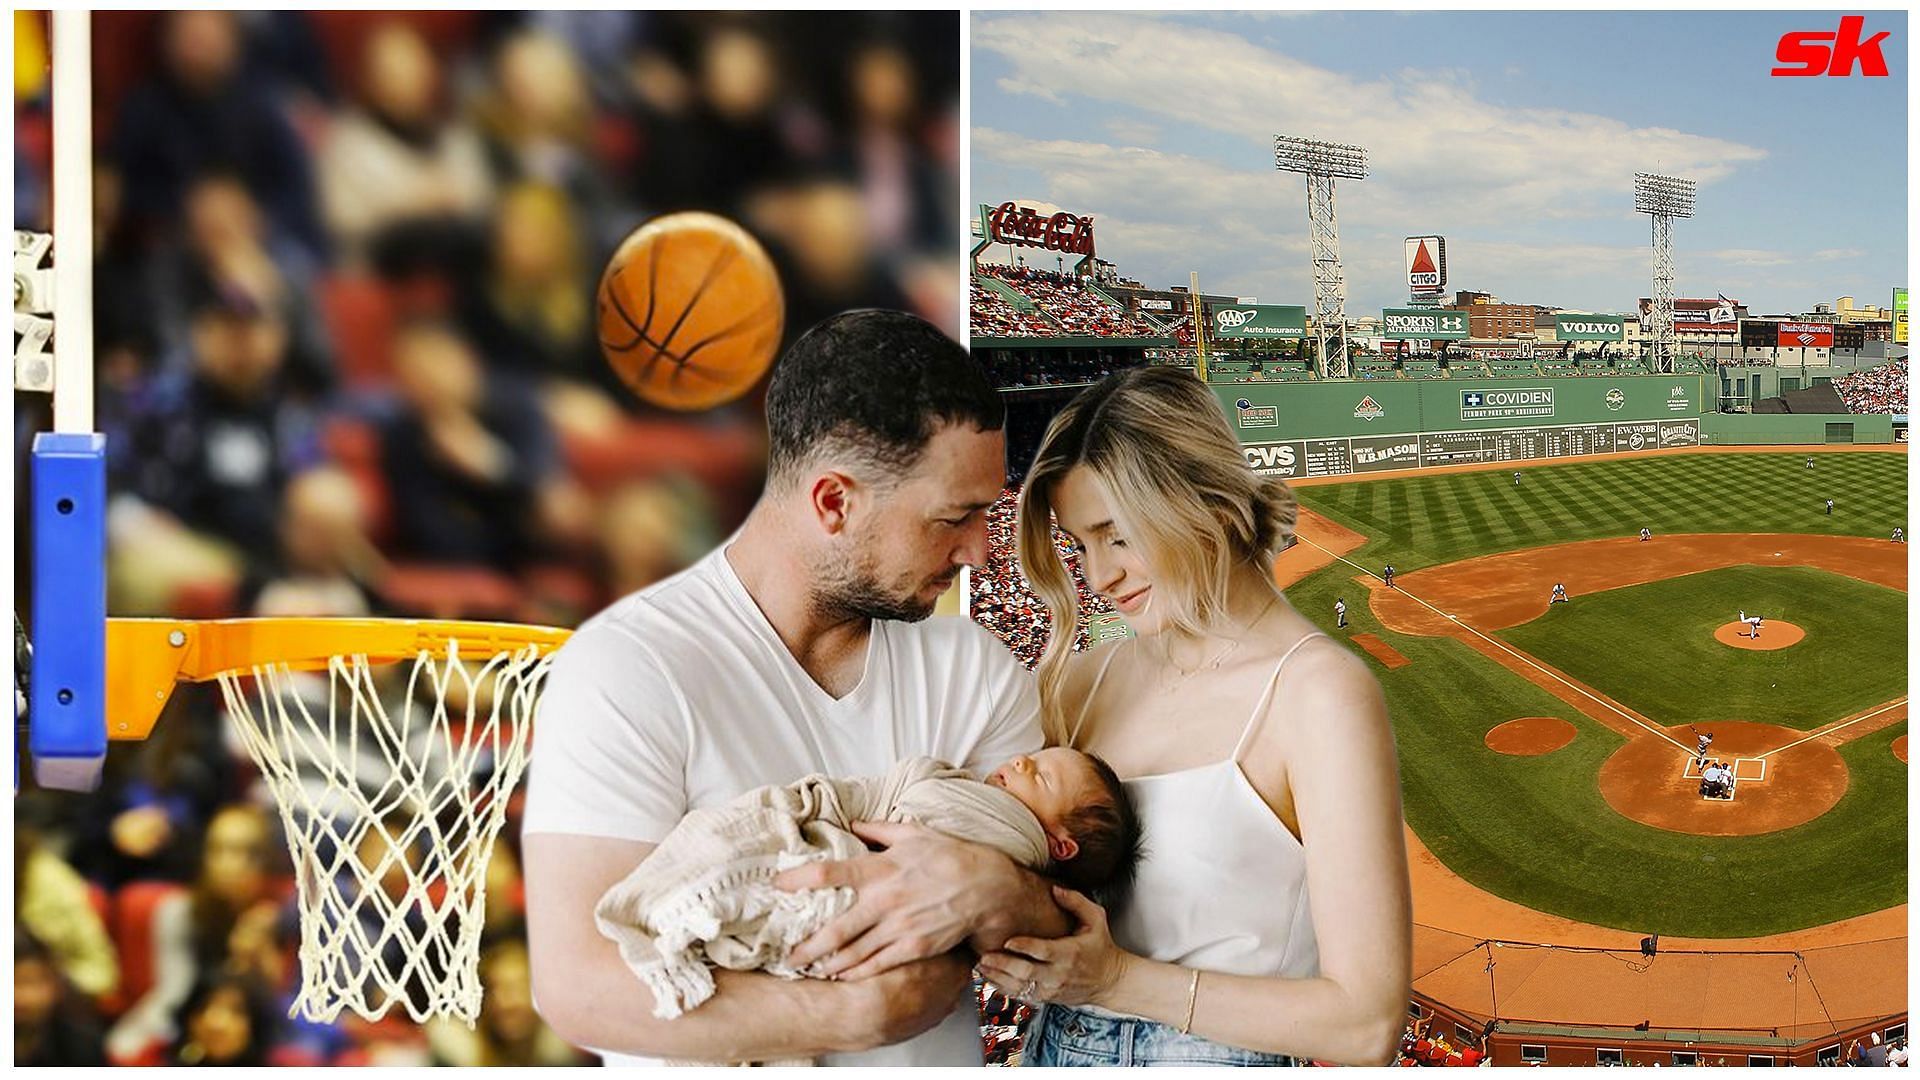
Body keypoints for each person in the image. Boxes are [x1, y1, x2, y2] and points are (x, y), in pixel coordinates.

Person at [522, 311, 1072, 1066]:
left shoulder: (974, 669)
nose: (979, 550)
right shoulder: (628, 667)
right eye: (955, 517)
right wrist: (859, 1013)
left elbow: (1057, 922)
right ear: (833, 502)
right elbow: (579, 985)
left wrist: (989, 886)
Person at [981, 366, 1410, 1066]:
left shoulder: (1318, 694)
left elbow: (1365, 1023)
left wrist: (1117, 980)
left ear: (1204, 501)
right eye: (1079, 545)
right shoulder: (1078, 683)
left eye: (1117, 536)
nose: (1097, 578)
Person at [594, 750, 1139, 1036]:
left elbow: (932, 823)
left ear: (1058, 848)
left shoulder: (1007, 835)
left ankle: (695, 918)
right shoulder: (976, 791)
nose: (1022, 761)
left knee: (776, 888)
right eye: (1033, 757)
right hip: (844, 838)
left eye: (1040, 777)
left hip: (855, 880)